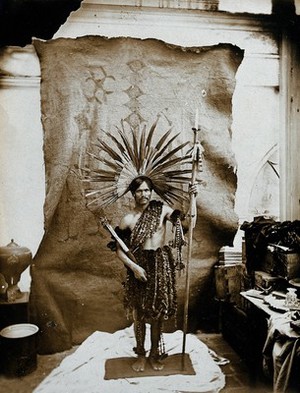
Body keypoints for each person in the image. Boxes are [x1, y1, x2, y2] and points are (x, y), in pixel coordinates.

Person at [112, 175, 197, 372]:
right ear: (133, 193)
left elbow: (186, 224)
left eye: (147, 190)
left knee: (158, 314)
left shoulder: (162, 211)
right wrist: (134, 268)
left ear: (152, 192)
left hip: (160, 266)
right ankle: (140, 354)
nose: (144, 194)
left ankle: (154, 354)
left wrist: (193, 199)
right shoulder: (127, 220)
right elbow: (118, 250)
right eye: (140, 190)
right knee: (139, 314)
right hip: (138, 265)